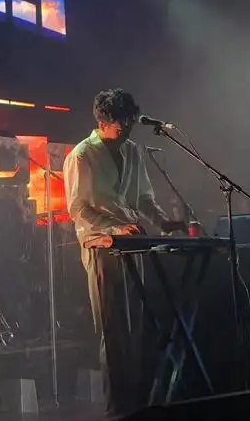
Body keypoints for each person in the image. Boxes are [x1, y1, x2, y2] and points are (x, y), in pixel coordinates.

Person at [63, 88, 185, 419]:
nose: (128, 129)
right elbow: (78, 208)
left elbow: (144, 198)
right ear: (103, 122)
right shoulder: (81, 156)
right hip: (101, 245)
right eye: (121, 124)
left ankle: (140, 401)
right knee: (113, 329)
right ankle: (117, 409)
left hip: (132, 244)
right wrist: (114, 228)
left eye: (130, 121)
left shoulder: (132, 151)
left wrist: (164, 223)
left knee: (138, 326)